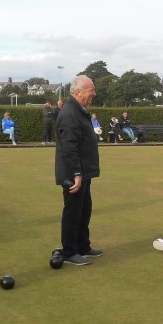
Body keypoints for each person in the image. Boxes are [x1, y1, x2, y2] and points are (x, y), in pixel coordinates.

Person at [55, 75, 102, 265]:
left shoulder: (80, 110)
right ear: (78, 92)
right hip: (74, 173)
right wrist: (76, 173)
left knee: (84, 209)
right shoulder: (70, 113)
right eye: (91, 90)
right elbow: (69, 147)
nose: (94, 94)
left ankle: (83, 246)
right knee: (73, 211)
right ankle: (69, 251)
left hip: (84, 170)